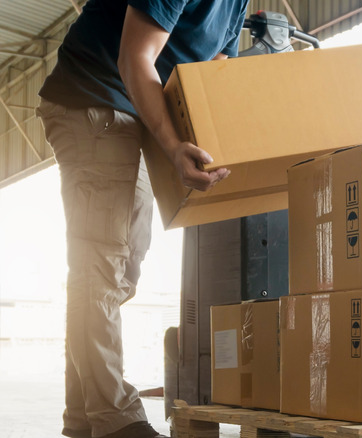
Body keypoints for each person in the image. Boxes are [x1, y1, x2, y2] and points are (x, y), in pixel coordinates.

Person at [36, 1, 248, 437]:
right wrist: (172, 146)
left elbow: (207, 78)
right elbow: (135, 57)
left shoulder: (238, 4)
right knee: (100, 266)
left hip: (138, 114)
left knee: (123, 272)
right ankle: (117, 420)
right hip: (92, 96)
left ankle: (83, 419)